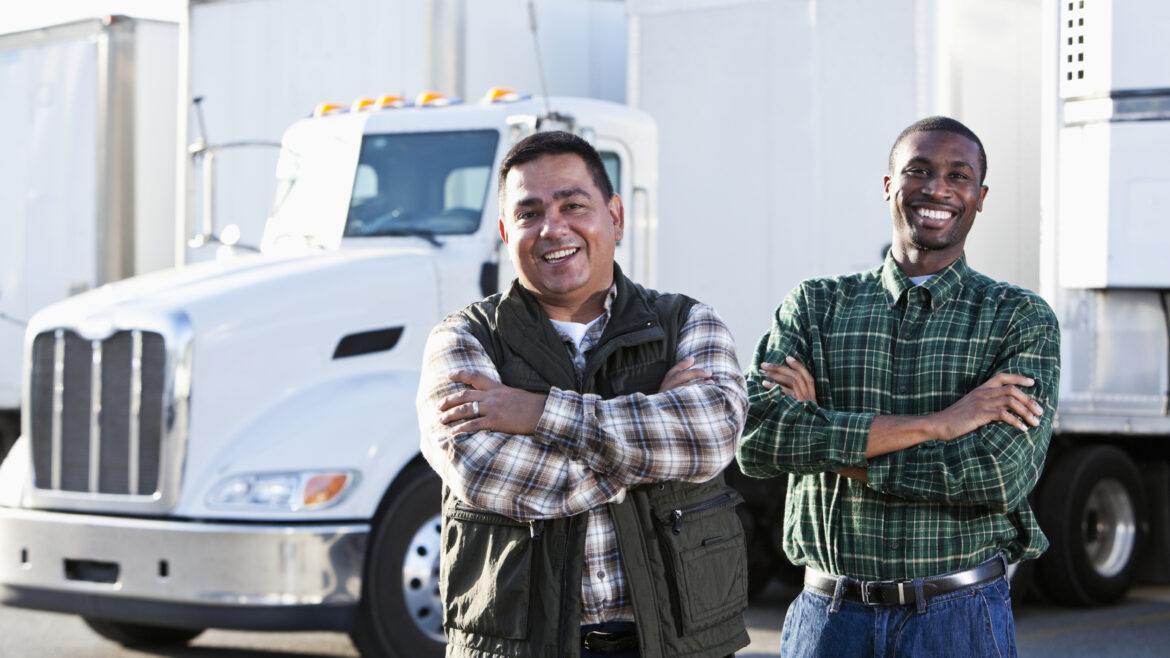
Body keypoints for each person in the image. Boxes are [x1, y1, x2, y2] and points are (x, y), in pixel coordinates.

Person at [418, 131, 750, 658]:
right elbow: (482, 470)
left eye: (573, 205)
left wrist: (538, 413)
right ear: (506, 232)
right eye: (529, 214)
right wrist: (646, 451)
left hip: (672, 645)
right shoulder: (462, 339)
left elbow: (712, 437)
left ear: (615, 217)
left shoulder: (688, 322)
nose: (553, 228)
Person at [737, 116, 1061, 657]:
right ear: (889, 185)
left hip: (958, 621)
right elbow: (759, 439)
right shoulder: (816, 306)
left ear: (980, 197)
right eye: (919, 170)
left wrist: (827, 443)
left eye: (958, 176)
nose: (937, 188)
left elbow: (998, 475)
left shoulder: (1018, 319)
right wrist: (938, 426)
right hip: (827, 620)